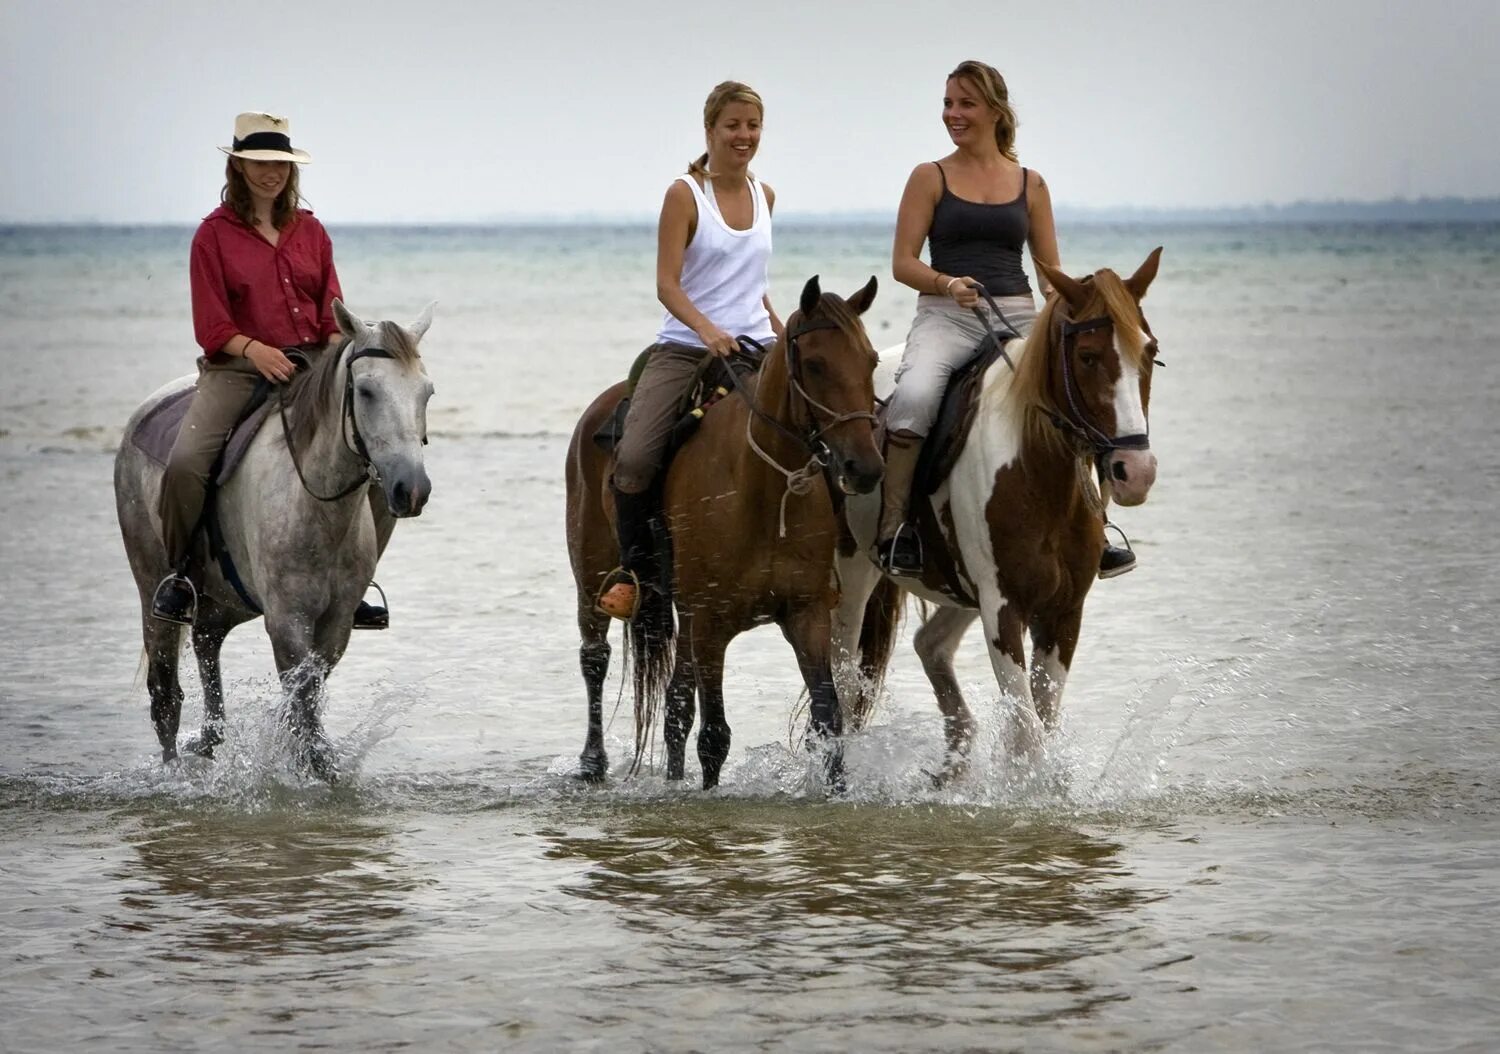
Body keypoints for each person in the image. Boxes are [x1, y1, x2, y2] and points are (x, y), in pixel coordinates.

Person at [879, 60, 1134, 579]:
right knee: (915, 398)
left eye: (965, 103)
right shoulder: (930, 176)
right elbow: (903, 263)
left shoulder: (1031, 183)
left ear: (996, 111)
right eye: (948, 103)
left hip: (1017, 314)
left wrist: (1059, 298)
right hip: (946, 316)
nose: (953, 114)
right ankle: (895, 526)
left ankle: (1096, 523)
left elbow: (1048, 269)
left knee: (1073, 398)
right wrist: (947, 283)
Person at [152, 112, 390, 628]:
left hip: (311, 365)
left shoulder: (311, 230)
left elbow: (331, 304)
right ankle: (182, 576)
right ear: (238, 166)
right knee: (187, 464)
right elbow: (211, 325)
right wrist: (255, 350)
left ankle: (355, 580)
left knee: (383, 458)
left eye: (281, 163)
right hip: (237, 368)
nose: (272, 172)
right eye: (260, 162)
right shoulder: (212, 236)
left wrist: (334, 348)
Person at [596, 81, 784, 620]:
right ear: (710, 130)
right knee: (633, 459)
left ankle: (824, 558)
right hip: (686, 347)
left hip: (756, 345)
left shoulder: (765, 195)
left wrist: (780, 327)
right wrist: (706, 330)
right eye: (733, 125)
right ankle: (635, 572)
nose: (743, 135)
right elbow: (668, 284)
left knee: (824, 427)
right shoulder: (685, 194)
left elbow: (750, 279)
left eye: (752, 126)